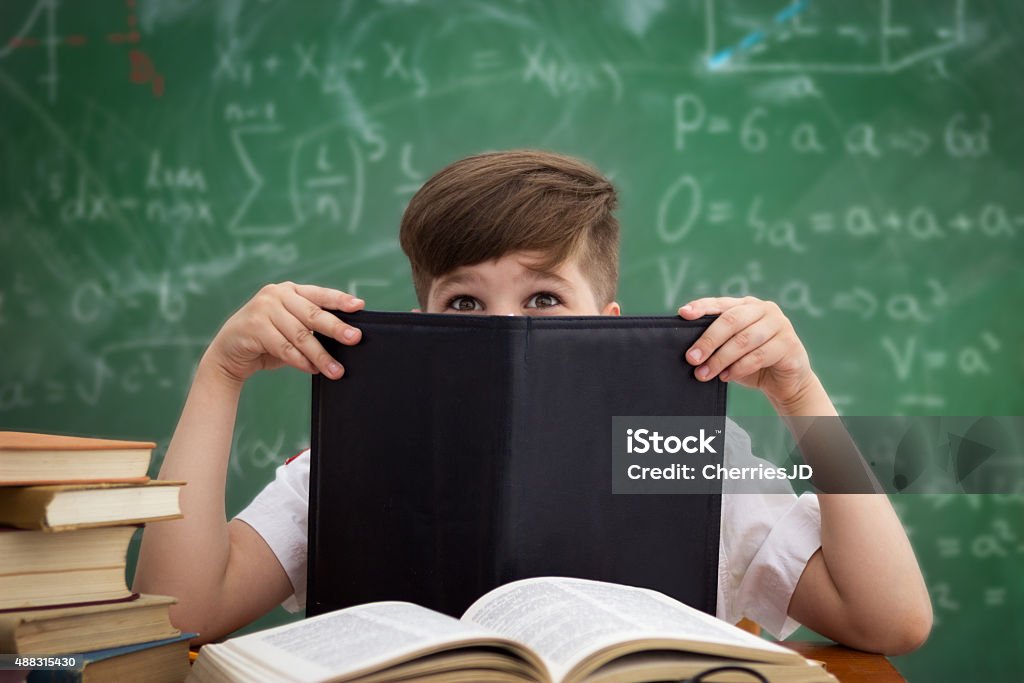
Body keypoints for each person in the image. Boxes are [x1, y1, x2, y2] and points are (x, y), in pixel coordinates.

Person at [134, 150, 932, 653]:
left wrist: (801, 392)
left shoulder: (677, 452)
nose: (505, 330)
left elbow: (891, 619)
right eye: (465, 304)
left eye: (546, 298)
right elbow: (177, 619)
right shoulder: (358, 453)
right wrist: (220, 373)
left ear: (607, 327)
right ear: (422, 325)